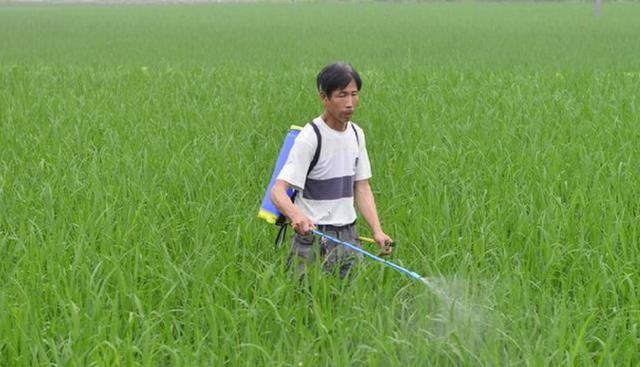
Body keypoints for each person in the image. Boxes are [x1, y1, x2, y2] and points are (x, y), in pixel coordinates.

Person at [271, 62, 393, 278]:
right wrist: (296, 216)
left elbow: (362, 187)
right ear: (323, 97)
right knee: (306, 303)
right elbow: (278, 192)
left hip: (349, 236)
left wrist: (377, 230)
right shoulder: (310, 138)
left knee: (350, 305)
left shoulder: (357, 134)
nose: (350, 103)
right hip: (313, 237)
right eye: (341, 95)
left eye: (354, 94)